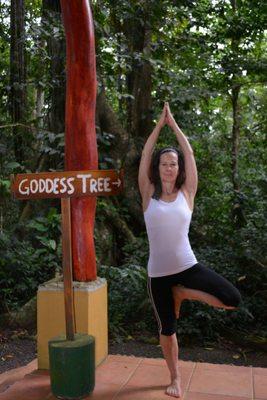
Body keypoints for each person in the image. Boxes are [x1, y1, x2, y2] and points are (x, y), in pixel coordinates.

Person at [138, 102, 241, 398]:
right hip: (158, 274)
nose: (169, 167)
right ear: (157, 170)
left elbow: (191, 153)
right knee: (167, 330)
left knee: (231, 299)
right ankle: (175, 378)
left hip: (188, 266)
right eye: (164, 163)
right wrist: (159, 126)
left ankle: (183, 293)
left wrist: (175, 126)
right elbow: (146, 154)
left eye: (173, 163)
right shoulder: (148, 195)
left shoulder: (187, 193)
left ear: (179, 169)